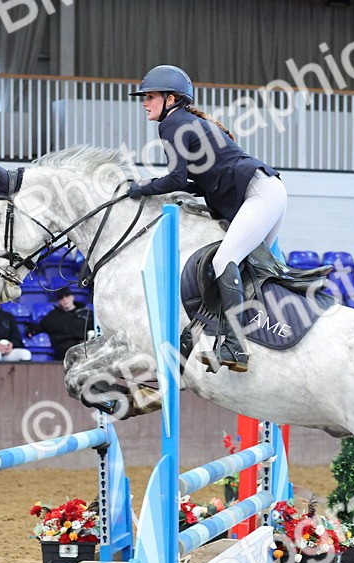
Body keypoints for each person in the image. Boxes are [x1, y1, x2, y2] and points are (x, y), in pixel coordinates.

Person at [126, 65, 284, 373]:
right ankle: (242, 340)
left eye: (150, 96)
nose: (144, 102)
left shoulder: (172, 125)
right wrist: (153, 185)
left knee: (223, 261)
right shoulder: (188, 122)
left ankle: (237, 347)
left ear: (170, 99)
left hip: (259, 194)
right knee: (246, 271)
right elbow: (194, 184)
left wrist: (141, 187)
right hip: (268, 192)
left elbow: (174, 179)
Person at [34, 288, 92, 361]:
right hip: (65, 348)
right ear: (59, 301)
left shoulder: (86, 313)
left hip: (86, 344)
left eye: (67, 296)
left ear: (72, 297)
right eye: (61, 298)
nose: (64, 299)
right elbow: (40, 327)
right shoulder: (53, 316)